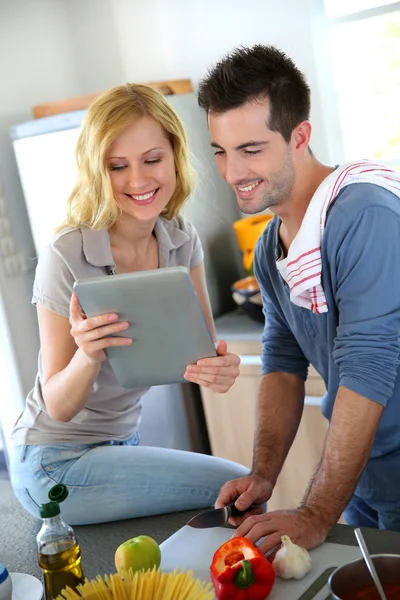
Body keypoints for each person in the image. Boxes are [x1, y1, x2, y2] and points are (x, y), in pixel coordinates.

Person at [10, 83, 249, 526]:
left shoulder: (180, 239)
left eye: (153, 160)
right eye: (117, 166)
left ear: (175, 156)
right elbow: (58, 406)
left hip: (121, 444)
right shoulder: (66, 254)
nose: (138, 181)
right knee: (241, 488)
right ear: (96, 171)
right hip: (52, 460)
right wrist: (87, 355)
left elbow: (200, 354)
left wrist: (220, 370)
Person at [197, 44, 400, 552]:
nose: (232, 172)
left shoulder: (364, 216)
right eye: (220, 150)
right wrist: (263, 474)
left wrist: (313, 513)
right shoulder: (271, 248)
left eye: (251, 149)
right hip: (363, 483)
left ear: (299, 137)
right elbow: (283, 362)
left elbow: (367, 367)